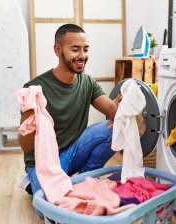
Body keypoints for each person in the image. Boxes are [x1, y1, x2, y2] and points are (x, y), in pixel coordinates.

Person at [18, 23, 121, 196]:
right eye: (75, 49)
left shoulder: (88, 83)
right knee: (49, 208)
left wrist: (121, 107)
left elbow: (112, 111)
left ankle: (84, 182)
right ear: (58, 50)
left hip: (72, 152)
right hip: (43, 163)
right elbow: (25, 147)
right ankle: (36, 182)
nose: (82, 56)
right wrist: (31, 116)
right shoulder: (35, 88)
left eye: (85, 49)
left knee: (115, 128)